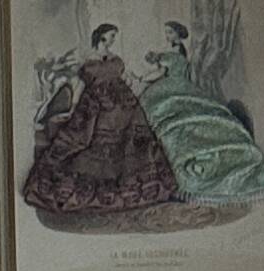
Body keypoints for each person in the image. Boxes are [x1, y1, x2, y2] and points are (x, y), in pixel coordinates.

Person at [22, 25, 181, 221]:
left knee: (137, 142)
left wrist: (139, 87)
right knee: (86, 141)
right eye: (111, 35)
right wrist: (72, 108)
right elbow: (80, 85)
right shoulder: (89, 59)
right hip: (96, 106)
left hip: (126, 106)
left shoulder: (115, 58)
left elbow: (126, 79)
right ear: (102, 36)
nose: (113, 38)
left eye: (115, 36)